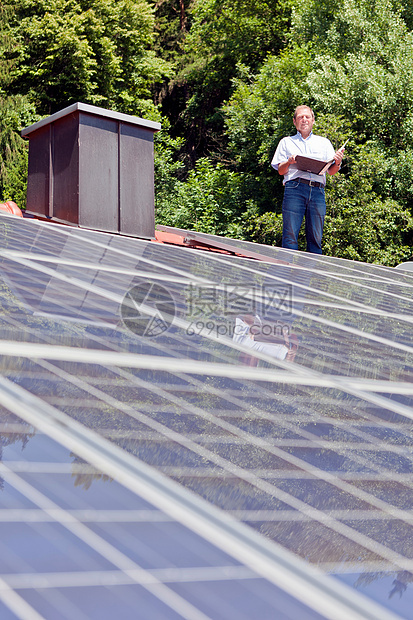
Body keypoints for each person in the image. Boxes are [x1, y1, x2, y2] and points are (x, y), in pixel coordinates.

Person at [271, 105, 344, 254]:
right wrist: (289, 162)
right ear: (294, 121)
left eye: (307, 117)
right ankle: (287, 274)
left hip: (317, 191)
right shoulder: (286, 142)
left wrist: (337, 162)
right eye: (300, 117)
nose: (304, 120)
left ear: (313, 120)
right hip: (295, 189)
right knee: (290, 236)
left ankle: (311, 276)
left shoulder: (324, 143)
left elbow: (331, 172)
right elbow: (280, 170)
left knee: (316, 238)